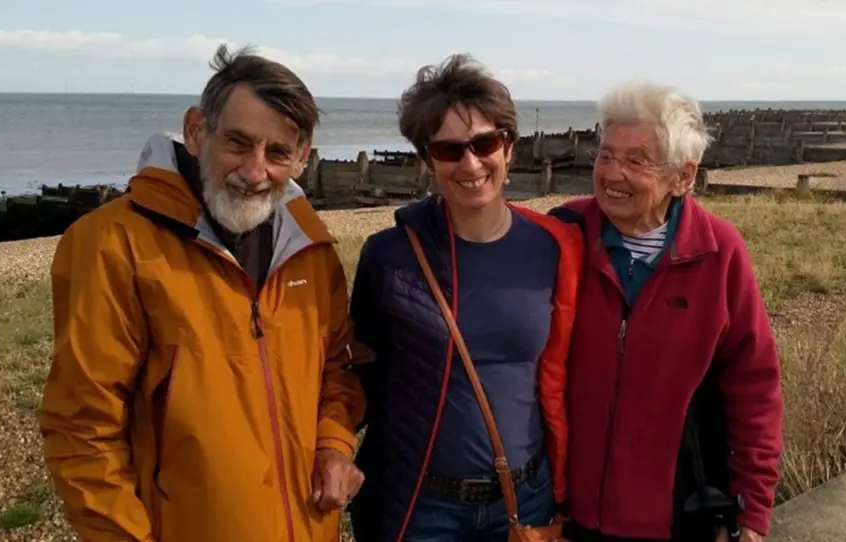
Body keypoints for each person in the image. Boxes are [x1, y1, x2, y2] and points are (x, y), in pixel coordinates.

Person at [38, 44, 367, 542]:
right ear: (196, 131)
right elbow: (83, 429)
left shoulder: (310, 248)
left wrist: (334, 443)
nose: (254, 171)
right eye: (238, 143)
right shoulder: (112, 244)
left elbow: (337, 368)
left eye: (278, 152)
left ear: (303, 157)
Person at [345, 53, 583, 541]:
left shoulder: (553, 248)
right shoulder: (389, 256)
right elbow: (357, 371)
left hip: (524, 499)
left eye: (484, 143)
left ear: (509, 147)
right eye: (449, 150)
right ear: (428, 160)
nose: (470, 164)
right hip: (423, 505)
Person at [549, 82, 784, 542]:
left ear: (683, 176)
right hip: (566, 517)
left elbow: (754, 388)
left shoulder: (719, 252)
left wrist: (752, 512)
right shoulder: (564, 233)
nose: (612, 174)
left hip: (680, 518)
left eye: (636, 160)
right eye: (605, 155)